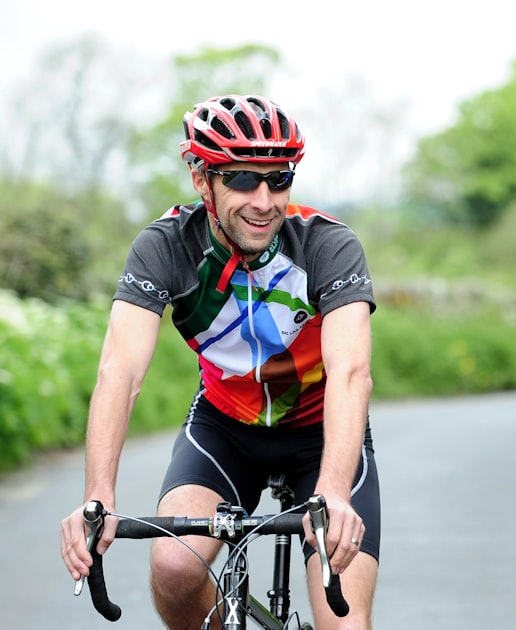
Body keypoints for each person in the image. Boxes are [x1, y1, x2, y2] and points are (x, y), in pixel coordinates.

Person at [60, 95, 380, 629]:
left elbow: (351, 374)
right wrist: (98, 495)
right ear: (200, 178)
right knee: (173, 567)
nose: (264, 200)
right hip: (224, 426)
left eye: (279, 179)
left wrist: (333, 493)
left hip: (321, 434)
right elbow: (121, 371)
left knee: (343, 622)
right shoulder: (165, 247)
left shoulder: (328, 244)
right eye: (241, 180)